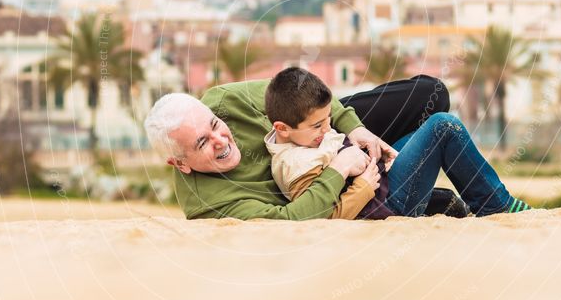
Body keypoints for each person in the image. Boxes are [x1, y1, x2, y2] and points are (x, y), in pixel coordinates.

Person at [144, 73, 530, 220]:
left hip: (320, 135)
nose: (220, 139)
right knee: (442, 130)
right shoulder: (210, 204)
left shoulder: (224, 101)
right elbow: (291, 220)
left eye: (215, 125)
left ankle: (411, 176)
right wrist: (342, 169)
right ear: (180, 163)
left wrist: (355, 130)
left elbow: (294, 93)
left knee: (432, 94)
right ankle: (419, 190)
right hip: (329, 183)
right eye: (202, 144)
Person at [264, 67, 394, 220]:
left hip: (385, 178)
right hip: (386, 204)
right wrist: (363, 187)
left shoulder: (308, 137)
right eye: (318, 125)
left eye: (329, 118)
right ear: (282, 129)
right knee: (430, 123)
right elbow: (325, 216)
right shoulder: (295, 165)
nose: (327, 129)